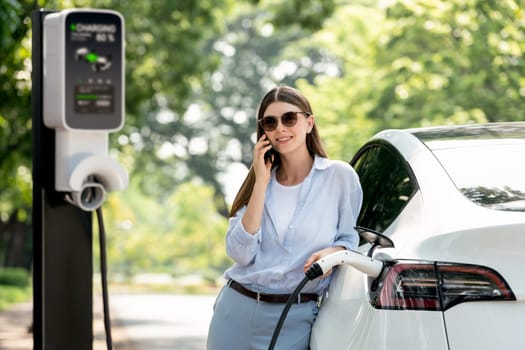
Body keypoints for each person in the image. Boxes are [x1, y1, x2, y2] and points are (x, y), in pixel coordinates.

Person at [207, 85, 363, 350]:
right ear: (263, 131)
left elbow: (350, 239)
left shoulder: (339, 177)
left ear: (309, 122)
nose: (280, 128)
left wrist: (334, 250)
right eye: (270, 122)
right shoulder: (257, 183)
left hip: (295, 315)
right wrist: (261, 182)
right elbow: (240, 254)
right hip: (236, 311)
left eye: (289, 118)